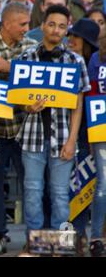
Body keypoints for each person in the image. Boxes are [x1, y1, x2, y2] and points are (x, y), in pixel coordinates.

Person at [17, 5, 90, 239]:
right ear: (42, 26)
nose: (56, 30)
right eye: (52, 24)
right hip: (32, 135)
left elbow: (78, 106)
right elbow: (17, 100)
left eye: (61, 26)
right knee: (32, 191)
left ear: (67, 29)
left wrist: (72, 140)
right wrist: (27, 106)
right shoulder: (26, 57)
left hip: (63, 136)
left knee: (60, 193)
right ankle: (34, 241)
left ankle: (61, 243)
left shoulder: (75, 60)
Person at [0, 2, 36, 254]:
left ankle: (34, 237)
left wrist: (10, 67)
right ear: (6, 24)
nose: (27, 29)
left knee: (32, 185)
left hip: (25, 130)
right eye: (23, 24)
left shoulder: (31, 48)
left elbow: (35, 88)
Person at [67, 18, 99, 256]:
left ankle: (84, 233)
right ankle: (75, 234)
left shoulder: (96, 65)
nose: (71, 41)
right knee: (70, 186)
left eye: (76, 38)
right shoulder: (67, 61)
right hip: (69, 131)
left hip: (93, 132)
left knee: (86, 183)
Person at [87, 35, 106, 257]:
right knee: (103, 186)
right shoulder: (95, 59)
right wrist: (91, 135)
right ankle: (96, 238)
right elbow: (91, 95)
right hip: (102, 128)